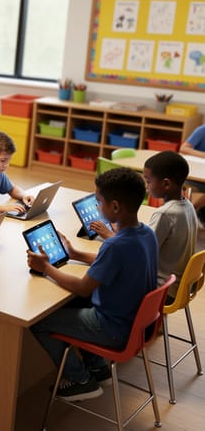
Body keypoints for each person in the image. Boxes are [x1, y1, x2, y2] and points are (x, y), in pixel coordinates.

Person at [27, 167, 157, 401]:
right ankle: (98, 368)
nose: (97, 208)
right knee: (77, 304)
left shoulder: (115, 245)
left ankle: (80, 380)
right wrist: (75, 253)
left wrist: (46, 268)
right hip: (133, 323)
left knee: (38, 322)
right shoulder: (146, 234)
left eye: (99, 202)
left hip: (113, 329)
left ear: (115, 207)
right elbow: (111, 263)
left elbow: (83, 287)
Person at [91, 151, 196, 301]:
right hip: (179, 285)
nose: (146, 187)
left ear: (166, 183)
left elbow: (135, 251)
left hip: (160, 288)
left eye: (148, 181)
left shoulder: (165, 214)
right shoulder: (188, 206)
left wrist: (109, 235)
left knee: (103, 280)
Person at [178, 124, 205, 222]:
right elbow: (183, 148)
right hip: (195, 176)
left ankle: (194, 210)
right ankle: (193, 210)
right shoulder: (202, 130)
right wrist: (203, 155)